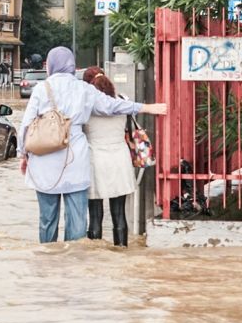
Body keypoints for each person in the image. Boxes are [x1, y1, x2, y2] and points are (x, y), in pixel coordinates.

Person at [17, 47, 166, 244]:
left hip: (44, 161)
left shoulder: (40, 89)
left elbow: (26, 126)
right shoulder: (84, 89)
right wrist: (147, 107)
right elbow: (113, 106)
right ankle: (75, 263)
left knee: (47, 220)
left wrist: (23, 154)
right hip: (75, 160)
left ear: (51, 64)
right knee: (78, 221)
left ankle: (48, 262)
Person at [82, 67, 137, 247]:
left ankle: (96, 257)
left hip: (95, 160)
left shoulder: (86, 106)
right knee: (119, 213)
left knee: (95, 216)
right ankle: (122, 251)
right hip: (119, 160)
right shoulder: (123, 102)